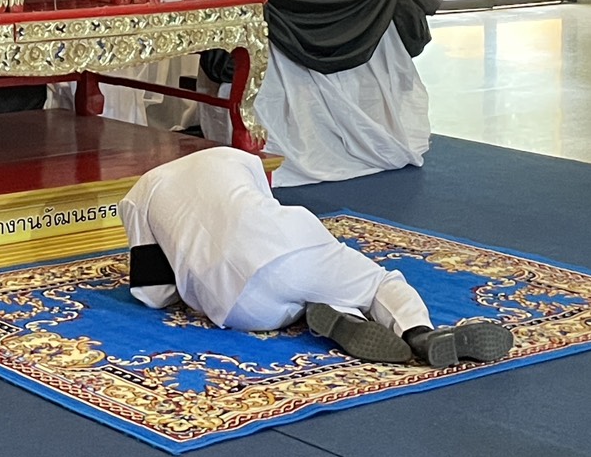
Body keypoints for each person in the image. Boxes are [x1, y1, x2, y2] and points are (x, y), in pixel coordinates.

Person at [119, 147, 514, 368]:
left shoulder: (138, 195)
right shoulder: (234, 156)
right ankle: (418, 332)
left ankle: (335, 319)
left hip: (239, 308)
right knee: (377, 282)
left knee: (293, 297)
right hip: (294, 245)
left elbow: (154, 294)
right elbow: (261, 211)